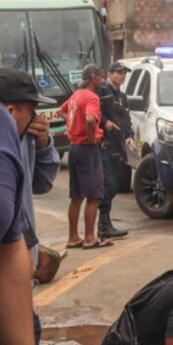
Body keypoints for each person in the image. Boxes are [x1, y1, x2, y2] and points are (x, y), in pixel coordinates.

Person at [0, 70, 61, 345]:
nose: (36, 116)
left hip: (17, 306)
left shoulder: (12, 137)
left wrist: (44, 142)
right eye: (30, 110)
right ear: (11, 107)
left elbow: (9, 247)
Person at [62, 64, 111, 249]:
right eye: (101, 76)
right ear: (92, 78)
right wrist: (91, 138)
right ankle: (90, 237)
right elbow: (90, 119)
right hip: (87, 149)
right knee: (93, 195)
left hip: (73, 148)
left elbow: (63, 110)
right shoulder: (92, 97)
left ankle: (73, 237)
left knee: (76, 196)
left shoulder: (76, 95)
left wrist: (73, 128)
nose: (103, 80)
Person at [97, 62, 134, 240]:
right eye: (118, 73)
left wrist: (129, 136)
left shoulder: (122, 97)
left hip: (118, 144)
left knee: (114, 185)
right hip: (105, 143)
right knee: (108, 184)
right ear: (109, 74)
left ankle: (107, 223)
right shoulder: (102, 93)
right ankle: (103, 225)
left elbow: (125, 118)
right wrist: (105, 123)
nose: (121, 76)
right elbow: (96, 114)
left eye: (124, 74)